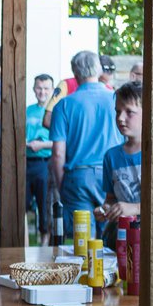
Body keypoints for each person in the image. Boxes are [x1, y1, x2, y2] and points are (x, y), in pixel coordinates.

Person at [49, 51, 123, 238]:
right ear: (98, 70)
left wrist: (62, 185)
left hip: (78, 178)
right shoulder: (116, 99)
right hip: (112, 175)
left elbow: (58, 153)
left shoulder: (64, 105)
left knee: (82, 243)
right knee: (110, 241)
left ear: (75, 73)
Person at [96, 80, 143, 225]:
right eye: (118, 111)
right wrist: (107, 209)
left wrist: (135, 208)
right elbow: (111, 198)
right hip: (120, 235)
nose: (120, 118)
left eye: (129, 112)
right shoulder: (111, 156)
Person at [26, 74, 55, 244]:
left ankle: (44, 247)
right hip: (27, 162)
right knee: (22, 206)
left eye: (46, 88)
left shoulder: (55, 112)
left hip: (46, 164)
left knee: (45, 207)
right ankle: (25, 245)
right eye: (39, 88)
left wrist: (43, 145)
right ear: (33, 89)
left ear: (52, 90)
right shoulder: (28, 110)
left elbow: (62, 142)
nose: (42, 92)